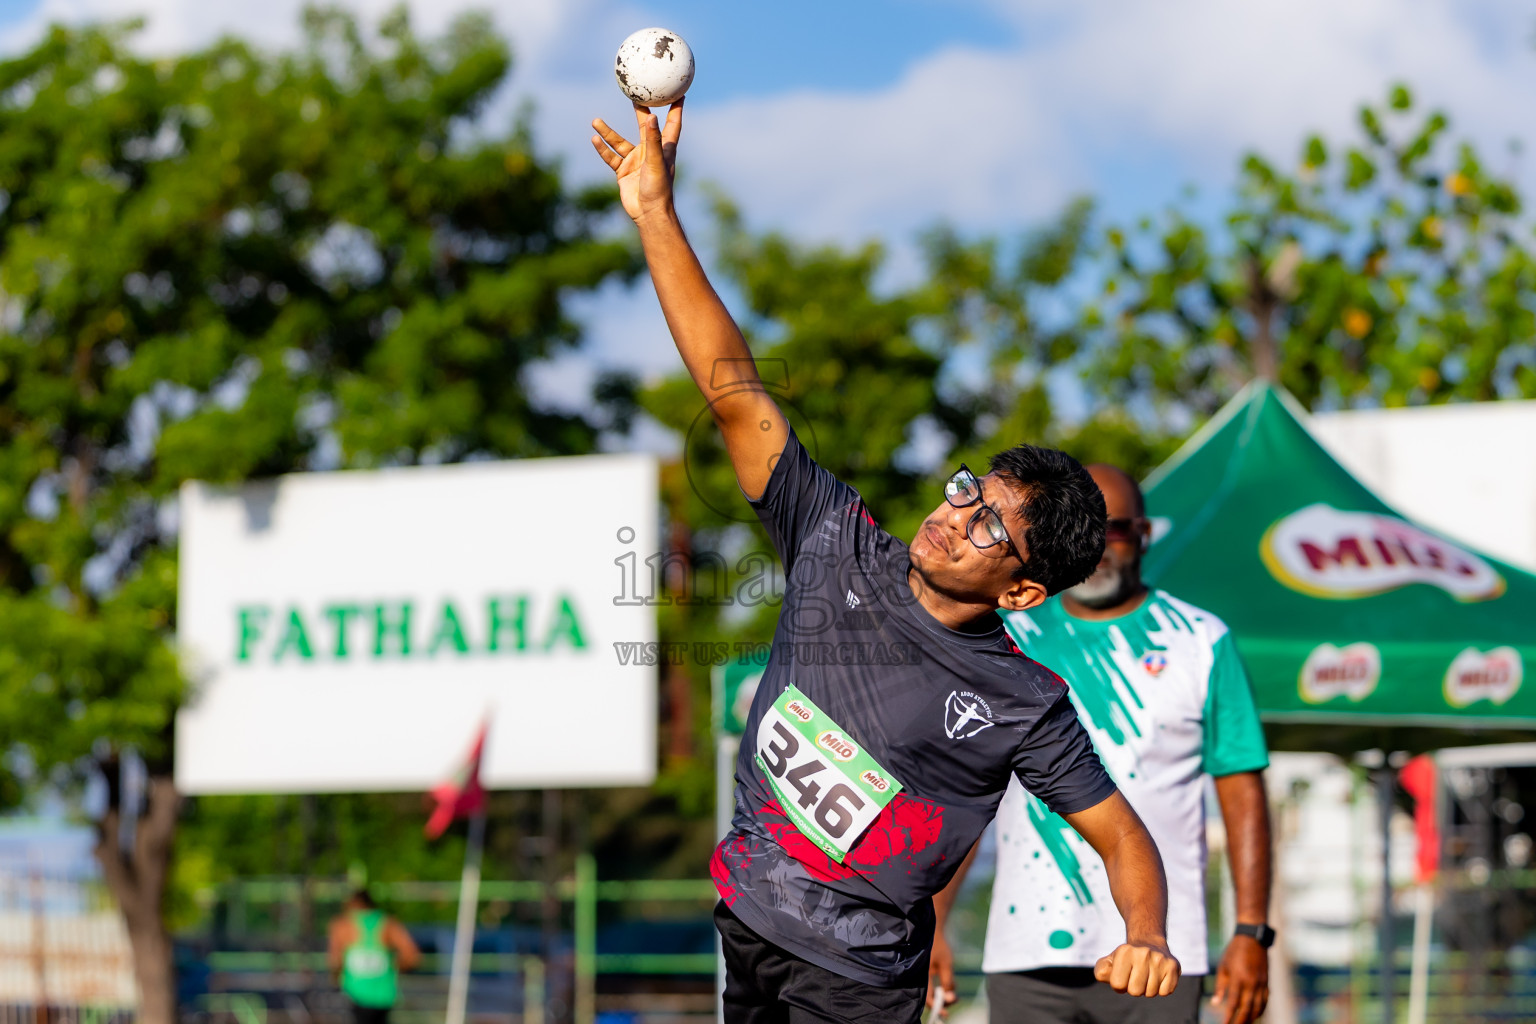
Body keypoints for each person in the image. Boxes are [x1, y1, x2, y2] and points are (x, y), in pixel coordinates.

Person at [589, 101, 1181, 1024]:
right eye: (968, 492)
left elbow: (1124, 838)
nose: (956, 517)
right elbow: (733, 390)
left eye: (992, 528)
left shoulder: (1025, 701)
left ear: (1023, 589)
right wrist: (656, 214)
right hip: (747, 927)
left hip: (858, 983)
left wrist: (1145, 932)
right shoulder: (835, 540)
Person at [929, 464, 1273, 1024]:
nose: (1094, 549)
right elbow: (969, 792)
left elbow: (1243, 796)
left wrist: (1251, 932)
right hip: (1026, 947)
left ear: (1142, 535)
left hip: (1160, 954)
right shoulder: (1012, 638)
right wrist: (934, 922)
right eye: (1081, 533)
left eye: (1110, 531)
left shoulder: (1201, 641)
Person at [327, 889, 421, 1024]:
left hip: (355, 992)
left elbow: (335, 959)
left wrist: (336, 979)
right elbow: (412, 956)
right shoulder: (388, 923)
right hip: (384, 994)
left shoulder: (342, 925)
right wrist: (393, 967)